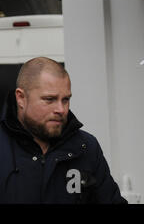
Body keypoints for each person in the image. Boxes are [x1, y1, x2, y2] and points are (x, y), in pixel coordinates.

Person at [0, 57, 127, 203]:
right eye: (49, 99)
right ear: (21, 98)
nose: (61, 109)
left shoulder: (86, 147)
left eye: (65, 100)